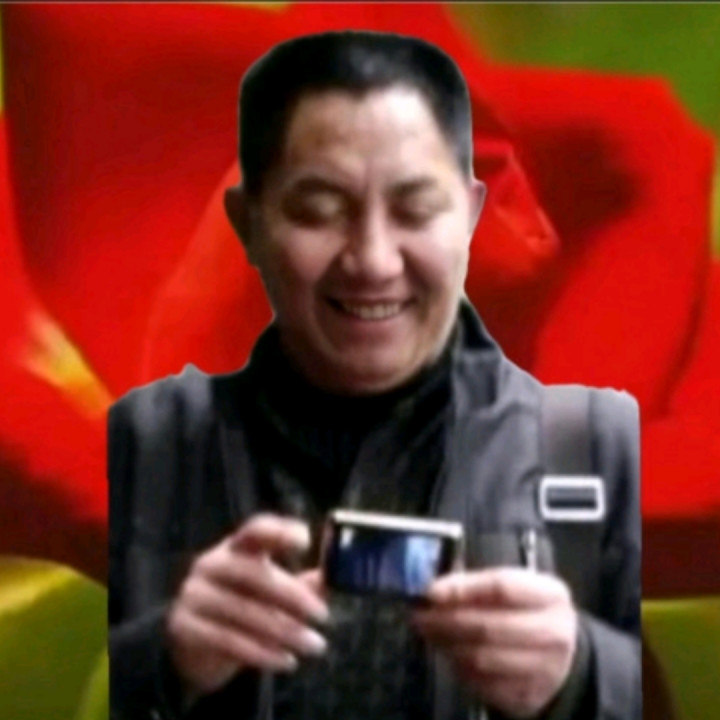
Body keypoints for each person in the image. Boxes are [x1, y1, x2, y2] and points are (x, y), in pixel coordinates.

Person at [109, 30, 640, 720]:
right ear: (246, 222)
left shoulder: (594, 448)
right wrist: (166, 656)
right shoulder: (146, 444)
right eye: (319, 213)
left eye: (415, 211)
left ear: (473, 214)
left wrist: (578, 672)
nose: (373, 260)